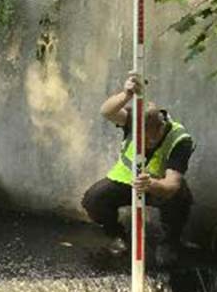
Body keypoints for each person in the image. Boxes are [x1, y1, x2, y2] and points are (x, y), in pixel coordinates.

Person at [82, 73, 195, 261]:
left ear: (161, 127)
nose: (145, 143)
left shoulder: (180, 140)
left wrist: (150, 184)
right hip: (127, 181)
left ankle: (170, 242)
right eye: (141, 138)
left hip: (158, 186)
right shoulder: (133, 121)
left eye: (150, 139)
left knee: (179, 198)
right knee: (93, 199)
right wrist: (126, 94)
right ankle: (117, 236)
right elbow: (107, 112)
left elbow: (171, 186)